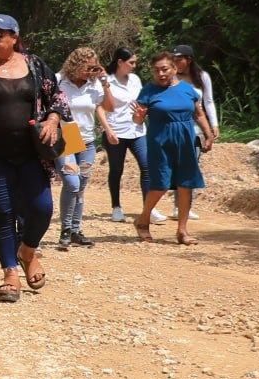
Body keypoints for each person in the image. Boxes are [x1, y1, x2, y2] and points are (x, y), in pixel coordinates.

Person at [0, 14, 71, 303]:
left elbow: (58, 98)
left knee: (42, 208)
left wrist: (53, 120)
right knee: (2, 211)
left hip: (31, 153)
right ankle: (9, 273)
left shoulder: (35, 65)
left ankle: (27, 251)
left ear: (14, 37)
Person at [132, 52, 213, 245]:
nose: (161, 74)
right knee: (160, 184)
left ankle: (182, 231)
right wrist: (139, 116)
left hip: (185, 140)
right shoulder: (148, 91)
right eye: (156, 70)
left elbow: (199, 114)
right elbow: (137, 119)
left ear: (175, 69)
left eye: (164, 69)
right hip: (160, 141)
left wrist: (208, 133)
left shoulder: (187, 89)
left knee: (186, 184)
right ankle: (143, 220)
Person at [53, 47, 111, 249]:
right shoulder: (59, 80)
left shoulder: (94, 85)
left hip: (87, 140)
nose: (91, 72)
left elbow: (108, 107)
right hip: (68, 135)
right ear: (76, 65)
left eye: (95, 68)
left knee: (81, 186)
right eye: (89, 68)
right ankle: (66, 229)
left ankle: (75, 231)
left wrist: (105, 82)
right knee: (72, 183)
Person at [103, 47, 157, 224]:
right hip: (116, 131)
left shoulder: (135, 80)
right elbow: (102, 107)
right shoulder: (107, 81)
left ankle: (149, 208)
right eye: (131, 62)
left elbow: (142, 101)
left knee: (147, 166)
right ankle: (116, 207)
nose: (134, 65)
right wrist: (108, 130)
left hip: (137, 130)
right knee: (117, 169)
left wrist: (143, 111)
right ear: (120, 62)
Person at [169, 44, 219, 222]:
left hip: (196, 128)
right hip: (176, 127)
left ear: (188, 60)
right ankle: (178, 206)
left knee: (191, 167)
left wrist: (213, 125)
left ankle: (185, 206)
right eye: (174, 59)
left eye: (179, 59)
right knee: (177, 166)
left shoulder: (202, 77)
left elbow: (208, 101)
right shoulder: (171, 77)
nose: (175, 63)